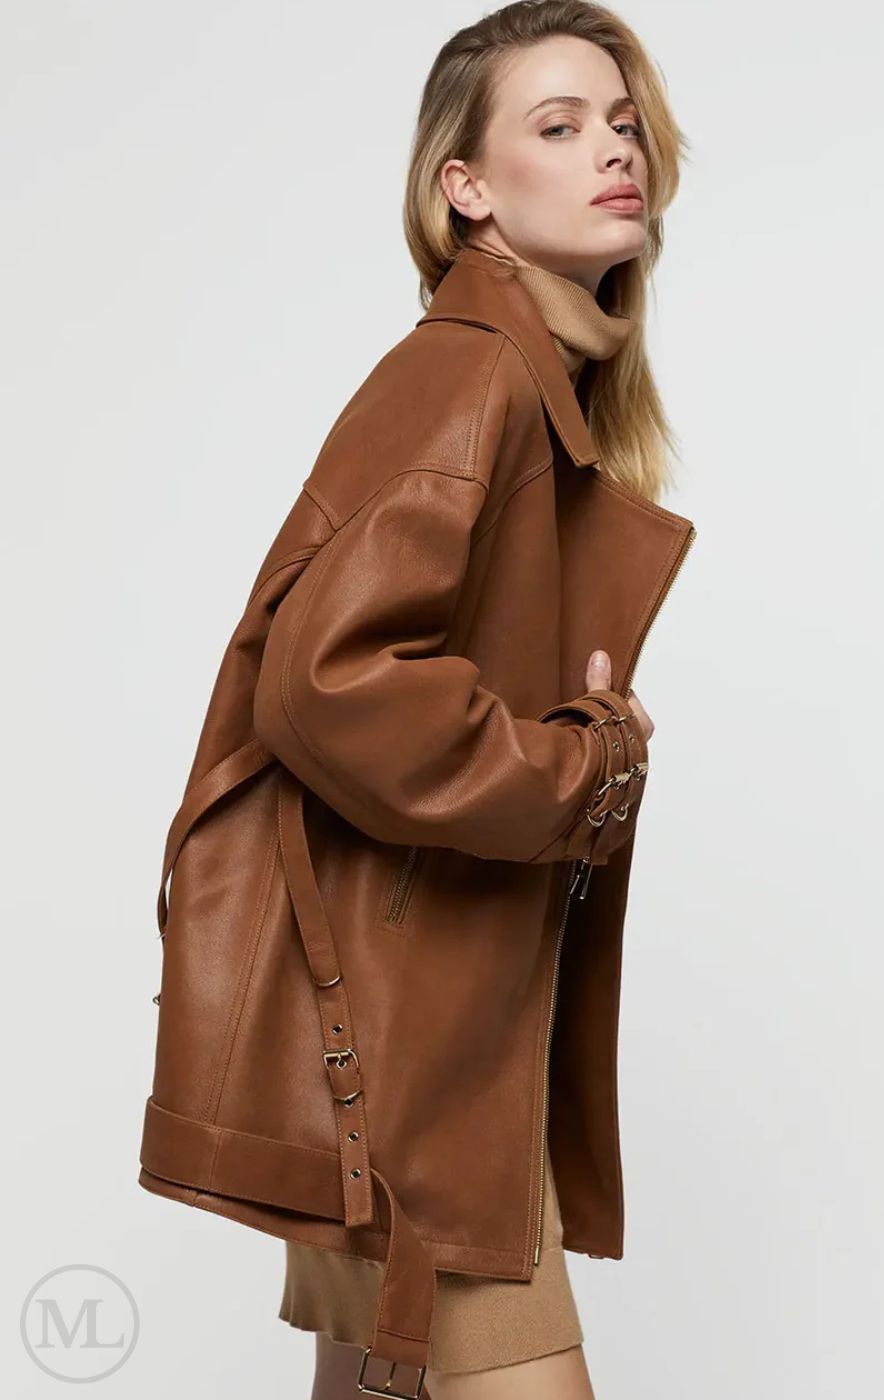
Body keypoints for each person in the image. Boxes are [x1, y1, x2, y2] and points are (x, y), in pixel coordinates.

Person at [138, 3, 694, 1398]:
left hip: (409, 1028)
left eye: (621, 122)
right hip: (410, 1046)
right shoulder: (470, 372)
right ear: (468, 190)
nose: (611, 151)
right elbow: (328, 681)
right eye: (556, 128)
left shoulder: (517, 379)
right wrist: (589, 765)